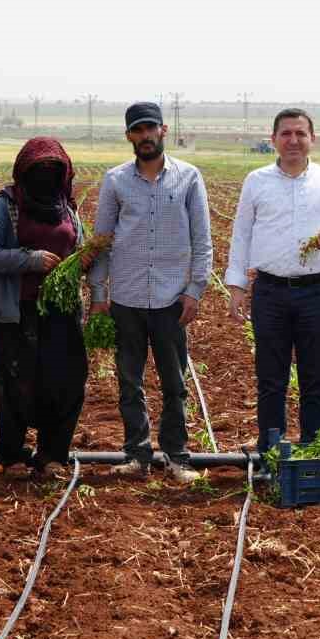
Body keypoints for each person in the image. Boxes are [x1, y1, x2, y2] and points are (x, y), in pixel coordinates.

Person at [88, 102, 213, 482]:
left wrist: (194, 291)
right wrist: (98, 294)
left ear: (163, 130)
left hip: (170, 299)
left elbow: (203, 241)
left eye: (150, 129)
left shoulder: (189, 177)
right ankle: (137, 454)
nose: (145, 136)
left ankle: (177, 456)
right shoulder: (115, 181)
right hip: (126, 297)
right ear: (129, 136)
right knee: (129, 379)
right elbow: (102, 241)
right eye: (137, 130)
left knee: (174, 383)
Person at [225, 109, 320, 451]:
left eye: (300, 133)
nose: (293, 140)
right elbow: (241, 235)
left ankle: (314, 445)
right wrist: (237, 287)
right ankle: (271, 445)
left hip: (317, 290)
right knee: (271, 376)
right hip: (270, 290)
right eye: (286, 134)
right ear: (273, 140)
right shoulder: (256, 181)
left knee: (316, 376)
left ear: (312, 139)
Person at [0, 137, 89, 479]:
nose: (45, 175)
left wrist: (79, 263)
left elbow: (80, 248)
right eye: (37, 169)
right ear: (22, 172)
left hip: (61, 310)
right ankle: (12, 455)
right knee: (15, 381)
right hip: (16, 311)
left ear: (64, 173)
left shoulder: (66, 207)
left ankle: (52, 454)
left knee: (65, 380)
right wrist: (29, 260)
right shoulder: (6, 206)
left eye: (52, 169)